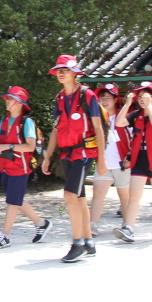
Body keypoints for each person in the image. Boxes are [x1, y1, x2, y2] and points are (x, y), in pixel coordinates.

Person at [41, 55, 105, 263]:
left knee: (69, 196)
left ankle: (77, 243)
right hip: (67, 153)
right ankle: (88, 241)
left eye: (65, 70)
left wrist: (102, 161)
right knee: (79, 199)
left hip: (85, 153)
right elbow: (55, 130)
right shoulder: (59, 98)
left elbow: (98, 129)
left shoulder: (88, 96)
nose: (60, 73)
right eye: (58, 70)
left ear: (75, 73)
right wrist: (47, 156)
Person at [0, 85, 52, 249]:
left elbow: (30, 146)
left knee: (12, 202)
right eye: (6, 99)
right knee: (17, 200)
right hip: (5, 166)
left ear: (20, 102)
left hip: (20, 168)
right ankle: (42, 224)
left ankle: (5, 236)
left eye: (10, 98)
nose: (7, 101)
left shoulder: (27, 122)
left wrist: (9, 147)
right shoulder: (4, 120)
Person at [113, 82, 152, 241]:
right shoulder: (136, 115)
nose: (141, 99)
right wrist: (127, 104)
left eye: (144, 96)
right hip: (139, 159)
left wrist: (150, 106)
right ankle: (129, 228)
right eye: (139, 96)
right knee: (134, 196)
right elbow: (119, 123)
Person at [88, 83, 129, 227]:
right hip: (103, 162)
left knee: (124, 195)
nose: (104, 101)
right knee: (98, 194)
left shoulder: (123, 116)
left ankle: (127, 224)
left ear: (115, 100)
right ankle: (92, 225)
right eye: (101, 98)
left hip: (122, 163)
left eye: (108, 98)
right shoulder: (96, 117)